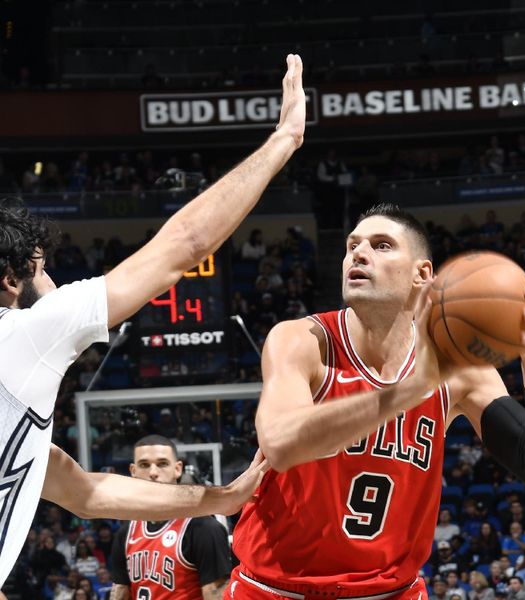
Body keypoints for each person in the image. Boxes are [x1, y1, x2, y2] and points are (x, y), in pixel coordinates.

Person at [0, 53, 307, 587]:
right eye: (45, 271)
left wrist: (223, 497)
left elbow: (89, 494)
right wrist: (284, 140)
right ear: (12, 279)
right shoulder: (23, 334)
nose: (55, 284)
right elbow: (184, 246)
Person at [226, 203, 525, 598]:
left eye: (381, 245)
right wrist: (405, 392)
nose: (358, 254)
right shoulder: (303, 342)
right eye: (352, 245)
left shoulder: (458, 369)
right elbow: (280, 443)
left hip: (392, 591)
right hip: (276, 589)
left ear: (422, 274)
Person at [109, 435, 232, 599]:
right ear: (133, 471)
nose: (153, 472)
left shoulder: (204, 528)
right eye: (144, 465)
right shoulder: (125, 533)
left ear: (178, 469)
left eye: (162, 464)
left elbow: (216, 594)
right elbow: (120, 591)